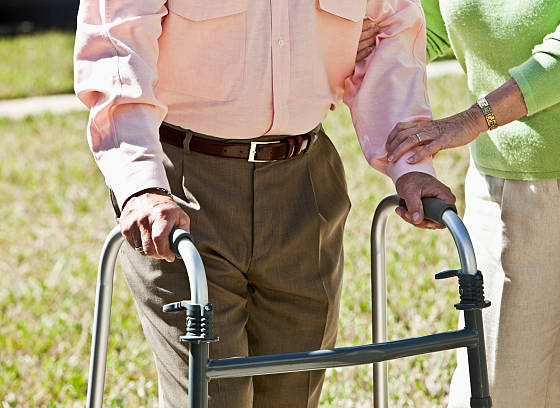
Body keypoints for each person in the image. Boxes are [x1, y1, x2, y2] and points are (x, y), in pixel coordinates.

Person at [74, 1, 456, 407]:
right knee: (212, 395)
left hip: (305, 185)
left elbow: (391, 28)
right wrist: (142, 187)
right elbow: (117, 47)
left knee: (293, 391)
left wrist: (410, 165)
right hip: (181, 188)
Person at [358, 0, 560, 406]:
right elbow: (425, 26)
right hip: (505, 188)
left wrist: (472, 120)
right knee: (500, 388)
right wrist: (364, 41)